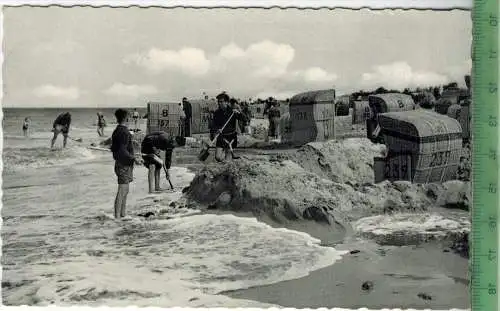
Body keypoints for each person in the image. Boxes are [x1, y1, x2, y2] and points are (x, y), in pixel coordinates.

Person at [111, 109, 141, 219]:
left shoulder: (117, 130)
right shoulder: (124, 131)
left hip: (122, 163)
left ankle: (122, 214)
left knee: (125, 190)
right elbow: (122, 150)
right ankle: (117, 217)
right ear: (126, 118)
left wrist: (133, 156)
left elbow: (114, 148)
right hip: (123, 164)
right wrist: (134, 159)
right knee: (122, 190)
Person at [212, 92, 248, 162]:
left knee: (228, 160)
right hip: (221, 137)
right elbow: (213, 125)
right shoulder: (217, 113)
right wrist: (217, 129)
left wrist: (239, 112)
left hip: (231, 137)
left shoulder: (232, 112)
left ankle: (227, 164)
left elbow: (245, 119)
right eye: (218, 102)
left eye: (221, 101)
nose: (219, 103)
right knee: (218, 157)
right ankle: (225, 160)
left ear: (226, 102)